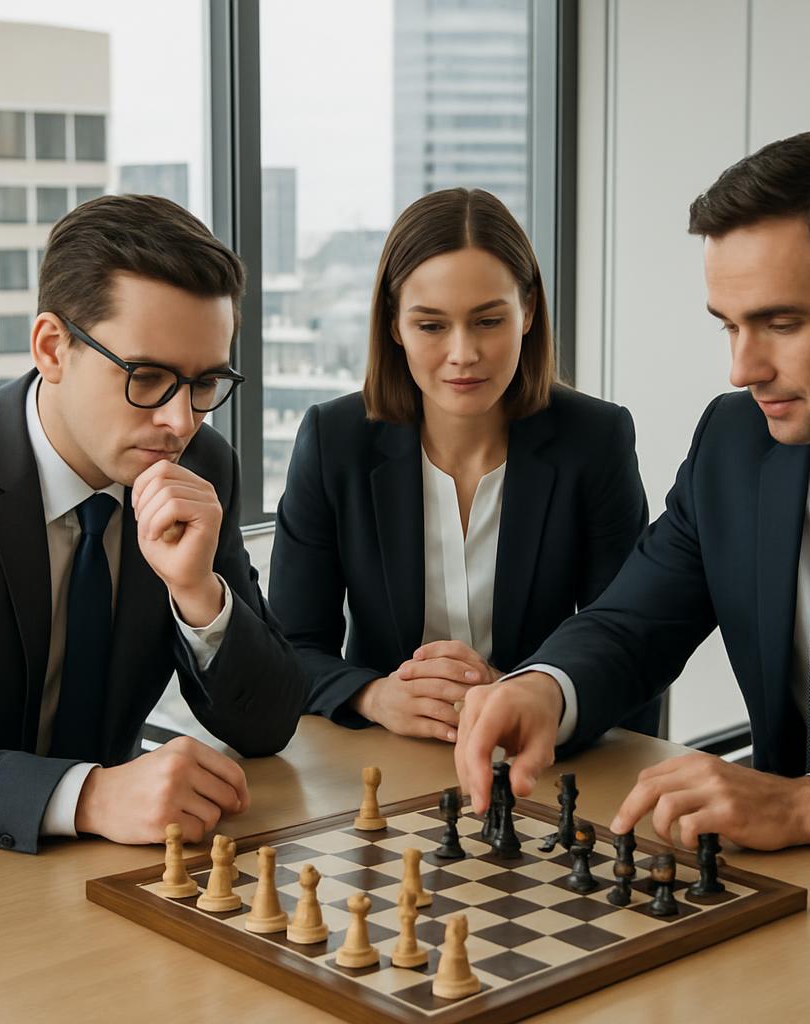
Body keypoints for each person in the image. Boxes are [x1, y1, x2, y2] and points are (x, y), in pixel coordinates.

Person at [454, 131, 810, 869]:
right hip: (789, 886)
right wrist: (545, 687)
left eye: (781, 323)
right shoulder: (736, 442)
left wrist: (809, 802)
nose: (741, 369)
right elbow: (635, 621)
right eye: (729, 325)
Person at [0, 194, 307, 854]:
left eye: (205, 382)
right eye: (147, 377)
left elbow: (267, 726)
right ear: (53, 348)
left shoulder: (201, 465)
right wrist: (86, 794)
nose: (181, 420)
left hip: (114, 876)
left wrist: (201, 596)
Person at [269, 187, 658, 742]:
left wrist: (533, 694)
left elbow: (629, 644)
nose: (463, 354)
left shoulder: (595, 440)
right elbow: (289, 649)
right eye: (431, 325)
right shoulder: (334, 440)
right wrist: (378, 696)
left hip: (542, 757)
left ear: (527, 312)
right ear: (393, 326)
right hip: (380, 753)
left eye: (487, 322)